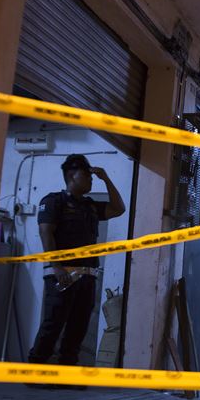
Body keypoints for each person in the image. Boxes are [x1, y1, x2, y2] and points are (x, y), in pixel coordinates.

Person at [28, 154, 125, 377]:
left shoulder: (89, 206)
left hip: (87, 275)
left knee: (78, 327)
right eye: (86, 175)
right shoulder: (54, 201)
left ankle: (66, 374)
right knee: (53, 324)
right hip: (62, 274)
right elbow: (46, 232)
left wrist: (106, 178)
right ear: (72, 175)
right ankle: (33, 370)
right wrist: (57, 266)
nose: (91, 179)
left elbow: (118, 208)